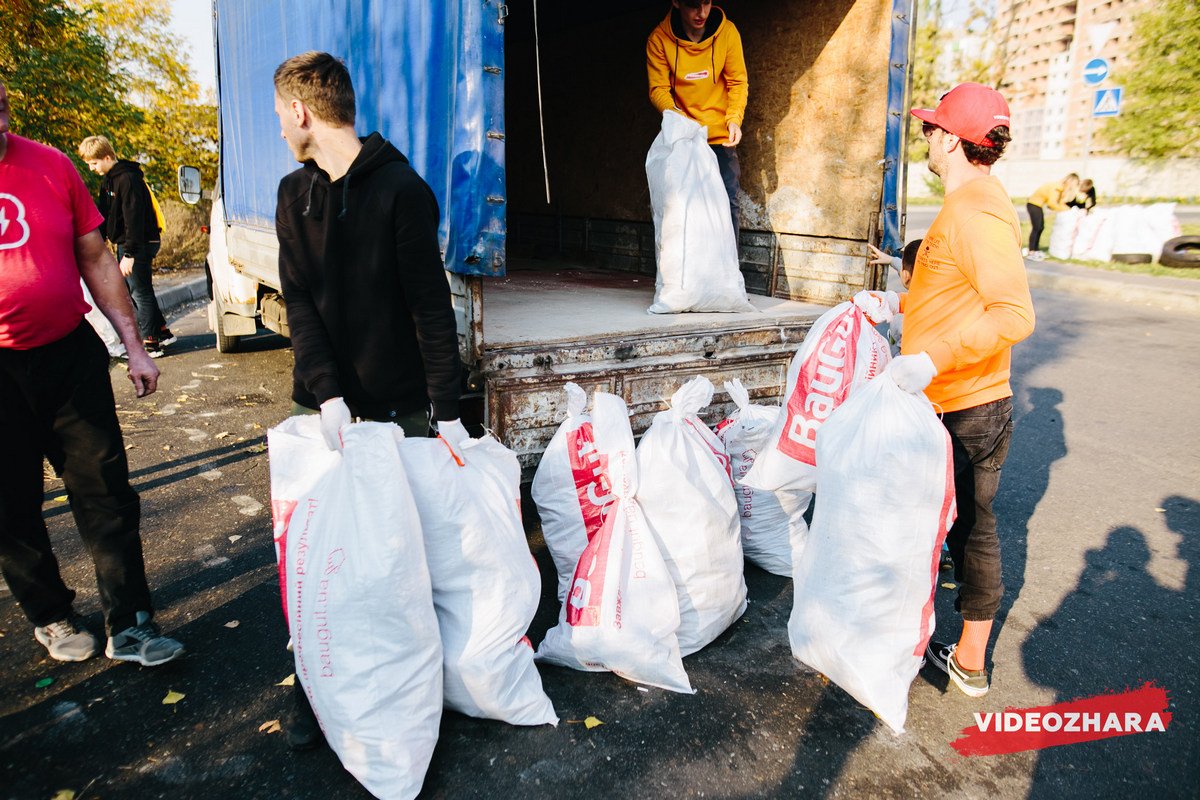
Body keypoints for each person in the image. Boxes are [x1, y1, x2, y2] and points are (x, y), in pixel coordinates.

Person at [271, 51, 465, 749]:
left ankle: (416, 680)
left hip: (401, 403)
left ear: (301, 112)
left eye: (280, 117)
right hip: (322, 406)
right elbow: (299, 304)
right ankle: (329, 672)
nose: (281, 130)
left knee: (412, 552)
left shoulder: (401, 190)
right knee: (324, 554)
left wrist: (447, 414)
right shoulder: (294, 195)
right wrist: (325, 396)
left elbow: (429, 310)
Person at [854, 82, 1035, 698]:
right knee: (951, 529)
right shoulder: (966, 205)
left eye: (931, 128)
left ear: (954, 140)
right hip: (950, 399)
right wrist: (895, 304)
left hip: (963, 407)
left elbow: (1013, 314)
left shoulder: (979, 210)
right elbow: (949, 294)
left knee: (958, 531)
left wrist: (930, 361)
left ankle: (955, 654)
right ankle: (946, 651)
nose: (925, 136)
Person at [0, 82, 185, 667]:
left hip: (68, 356)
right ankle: (51, 614)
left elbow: (97, 257)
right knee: (11, 504)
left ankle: (130, 621)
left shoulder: (52, 165)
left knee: (105, 490)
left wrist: (133, 345)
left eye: (2, 102)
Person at [647, 0, 748, 240]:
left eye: (706, 2)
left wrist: (734, 119)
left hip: (720, 137)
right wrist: (680, 121)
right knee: (684, 208)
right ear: (676, 2)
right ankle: (687, 275)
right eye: (693, 5)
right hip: (685, 137)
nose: (702, 12)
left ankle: (728, 275)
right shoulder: (659, 40)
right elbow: (658, 89)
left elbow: (737, 81)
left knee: (727, 202)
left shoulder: (728, 32)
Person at [78, 135, 176, 357]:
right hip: (130, 242)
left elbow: (134, 218)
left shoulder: (128, 179)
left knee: (139, 291)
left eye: (94, 163)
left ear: (107, 156)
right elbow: (106, 216)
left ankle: (152, 342)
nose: (92, 168)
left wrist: (130, 252)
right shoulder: (109, 181)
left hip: (138, 243)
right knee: (136, 288)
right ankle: (162, 333)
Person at [1024, 172, 1079, 260]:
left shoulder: (1061, 188)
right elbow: (1052, 204)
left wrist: (1068, 209)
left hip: (1038, 205)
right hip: (1033, 204)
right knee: (1037, 227)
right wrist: (1066, 210)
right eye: (1074, 184)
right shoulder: (1057, 187)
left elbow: (1059, 203)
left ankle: (1035, 249)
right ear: (1070, 181)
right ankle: (1031, 251)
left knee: (1040, 227)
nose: (1073, 187)